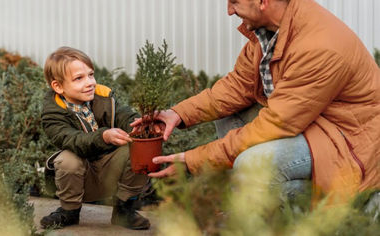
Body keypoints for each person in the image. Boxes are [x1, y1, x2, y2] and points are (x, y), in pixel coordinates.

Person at [131, 0, 380, 203]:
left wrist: (193, 161)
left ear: (263, 2)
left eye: (234, 2)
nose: (229, 11)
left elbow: (275, 124)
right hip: (311, 123)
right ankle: (258, 194)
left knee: (251, 165)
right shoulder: (271, 31)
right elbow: (239, 86)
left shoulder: (320, 46)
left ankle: (337, 205)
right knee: (229, 118)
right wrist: (178, 113)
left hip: (346, 140)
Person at [40, 47, 150, 229]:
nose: (89, 82)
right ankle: (69, 211)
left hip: (110, 171)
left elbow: (125, 116)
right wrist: (104, 136)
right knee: (67, 159)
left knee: (140, 147)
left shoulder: (103, 96)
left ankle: (124, 209)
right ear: (58, 86)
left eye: (91, 75)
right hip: (80, 180)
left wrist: (141, 124)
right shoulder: (53, 113)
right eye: (79, 78)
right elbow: (73, 140)